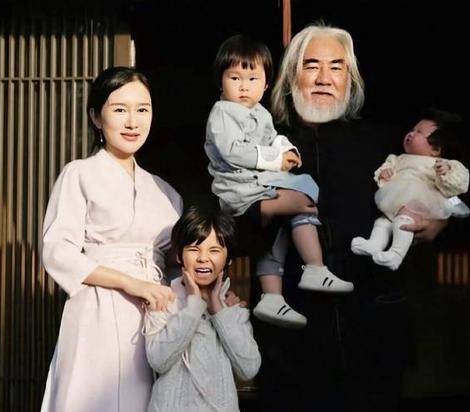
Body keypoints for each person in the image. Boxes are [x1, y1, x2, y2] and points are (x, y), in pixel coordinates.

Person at [232, 23, 451, 411]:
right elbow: (228, 227)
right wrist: (267, 208)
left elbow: (444, 191)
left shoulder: (383, 143)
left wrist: (436, 221)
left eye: (336, 67)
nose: (324, 78)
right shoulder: (259, 144)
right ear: (291, 76)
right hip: (291, 341)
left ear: (350, 79)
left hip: (372, 335)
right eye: (311, 65)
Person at [40, 67, 182, 412]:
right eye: (120, 109)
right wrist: (129, 282)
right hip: (98, 307)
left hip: (155, 315)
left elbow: (180, 264)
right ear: (95, 116)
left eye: (142, 109)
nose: (133, 121)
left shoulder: (165, 192)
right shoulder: (79, 174)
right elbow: (58, 251)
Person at [204, 35, 353, 329]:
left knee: (283, 225)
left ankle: (273, 296)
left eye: (253, 79)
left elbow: (273, 138)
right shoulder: (222, 112)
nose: (244, 86)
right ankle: (314, 266)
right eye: (235, 78)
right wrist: (275, 160)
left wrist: (287, 150)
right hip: (241, 190)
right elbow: (233, 151)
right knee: (303, 192)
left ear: (266, 85)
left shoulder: (260, 113)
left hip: (258, 184)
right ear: (220, 81)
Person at [144, 206, 261, 412]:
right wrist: (193, 306)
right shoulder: (163, 301)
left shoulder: (232, 309)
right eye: (193, 249)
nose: (203, 258)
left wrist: (218, 309)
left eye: (214, 250)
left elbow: (248, 368)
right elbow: (158, 361)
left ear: (228, 259)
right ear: (179, 256)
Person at [351, 110, 470, 270]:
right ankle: (374, 245)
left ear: (435, 149)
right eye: (413, 129)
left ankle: (396, 254)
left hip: (420, 201)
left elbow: (457, 184)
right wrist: (385, 175)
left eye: (419, 132)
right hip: (396, 199)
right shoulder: (397, 159)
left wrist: (445, 172)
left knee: (403, 221)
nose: (411, 133)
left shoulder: (439, 163)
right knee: (383, 222)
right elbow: (385, 173)